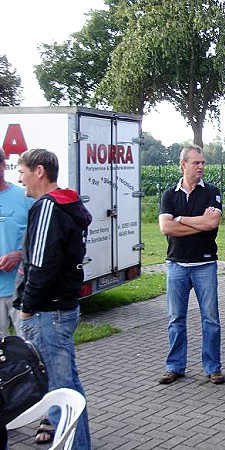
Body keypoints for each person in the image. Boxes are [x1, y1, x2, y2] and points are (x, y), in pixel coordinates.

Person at [14, 148, 93, 450]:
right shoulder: (65, 203)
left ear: (39, 171)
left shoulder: (48, 207)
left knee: (58, 390)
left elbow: (41, 264)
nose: (19, 179)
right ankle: (79, 444)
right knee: (68, 387)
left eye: (22, 171)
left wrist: (27, 307)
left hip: (48, 312)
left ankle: (74, 445)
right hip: (60, 308)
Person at [158, 145, 225, 385]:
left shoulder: (212, 192)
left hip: (205, 264)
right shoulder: (169, 194)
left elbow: (211, 224)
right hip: (176, 265)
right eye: (196, 163)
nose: (201, 167)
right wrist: (198, 222)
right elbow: (166, 228)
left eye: (203, 163)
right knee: (176, 318)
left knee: (210, 319)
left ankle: (213, 368)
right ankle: (175, 366)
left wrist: (181, 219)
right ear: (183, 165)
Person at [0, 149, 33, 338]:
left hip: (20, 290)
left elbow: (39, 240)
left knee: (27, 349)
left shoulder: (25, 198)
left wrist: (19, 254)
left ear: (3, 165)